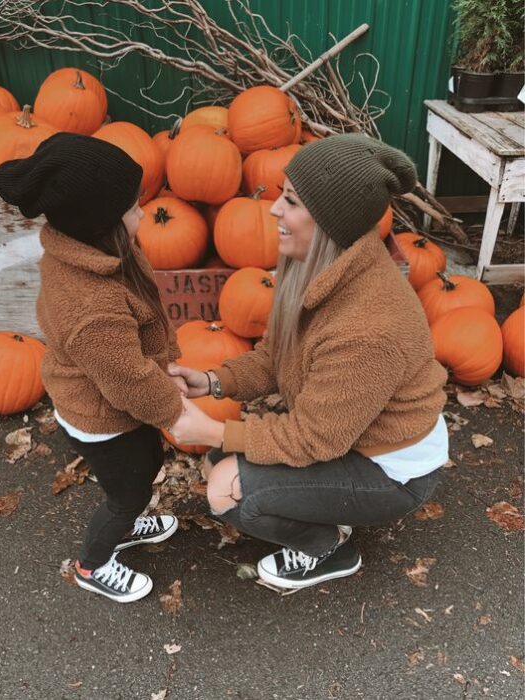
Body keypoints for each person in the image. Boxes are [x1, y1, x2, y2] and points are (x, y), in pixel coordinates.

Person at [168, 133, 449, 590]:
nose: (275, 209)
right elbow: (277, 358)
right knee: (220, 457)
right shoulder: (313, 270)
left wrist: (212, 429)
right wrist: (212, 381)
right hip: (349, 436)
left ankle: (330, 547)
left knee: (227, 492)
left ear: (328, 222)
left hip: (391, 468)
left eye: (291, 201)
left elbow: (315, 439)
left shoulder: (367, 329)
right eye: (281, 194)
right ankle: (326, 510)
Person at [0, 133, 187, 603]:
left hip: (115, 406)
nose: (144, 212)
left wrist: (169, 361)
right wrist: (178, 410)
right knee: (126, 491)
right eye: (134, 206)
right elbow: (127, 381)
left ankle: (130, 513)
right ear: (102, 220)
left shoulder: (102, 251)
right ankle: (93, 564)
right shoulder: (91, 306)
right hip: (101, 418)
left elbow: (147, 318)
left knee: (145, 467)